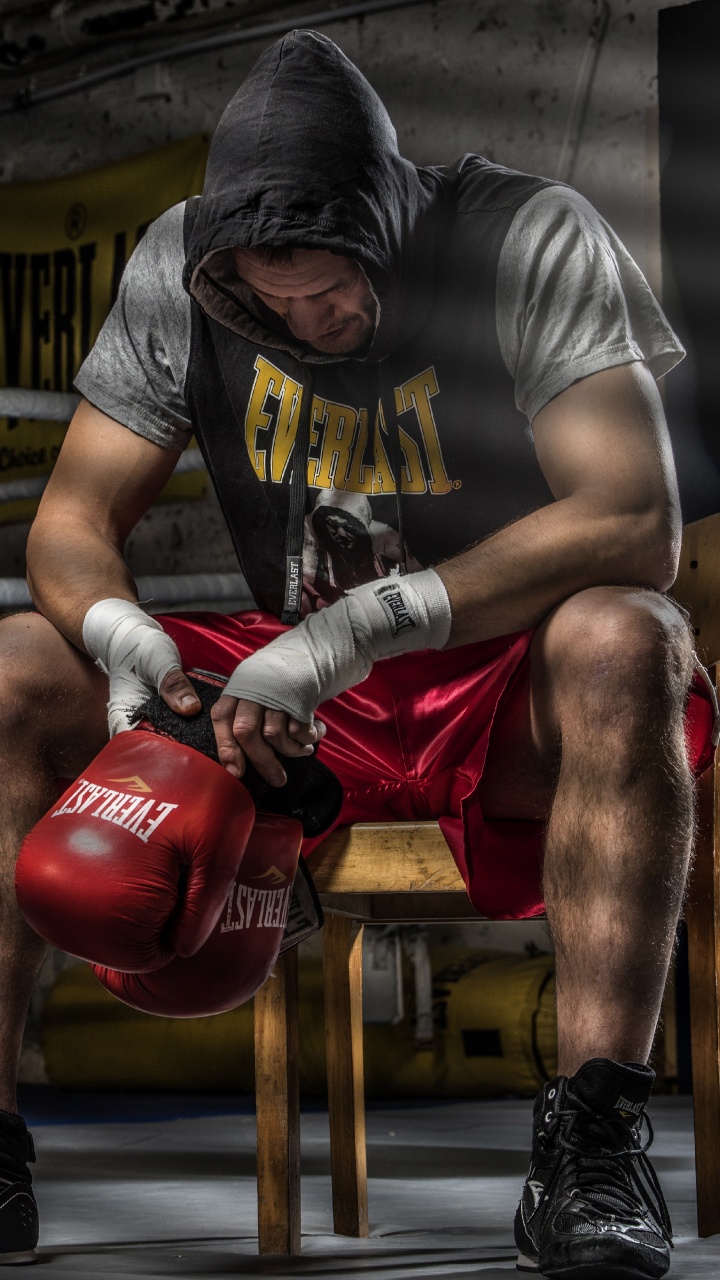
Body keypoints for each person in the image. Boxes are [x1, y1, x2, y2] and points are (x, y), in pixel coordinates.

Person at [0, 28, 714, 1279]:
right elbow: (70, 520)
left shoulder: (524, 235)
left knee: (626, 634)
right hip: (288, 686)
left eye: (331, 287)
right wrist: (122, 641)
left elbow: (632, 516)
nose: (308, 319)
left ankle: (593, 1145)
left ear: (389, 219)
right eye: (272, 300)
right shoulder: (182, 264)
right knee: (15, 661)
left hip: (499, 673)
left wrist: (356, 627)